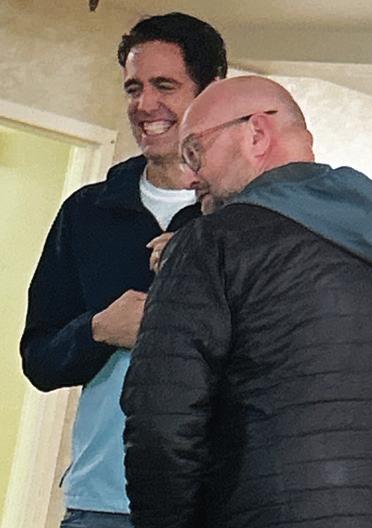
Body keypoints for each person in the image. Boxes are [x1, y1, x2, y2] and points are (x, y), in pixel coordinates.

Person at [121, 76, 372, 528]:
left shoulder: (211, 244)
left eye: (194, 151)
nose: (191, 177)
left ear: (256, 133)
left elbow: (162, 426)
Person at [20, 12, 227, 528]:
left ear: (211, 92)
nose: (145, 105)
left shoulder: (246, 217)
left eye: (165, 86)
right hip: (102, 504)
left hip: (221, 505)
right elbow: (39, 360)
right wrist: (98, 330)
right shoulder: (85, 212)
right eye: (134, 88)